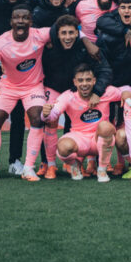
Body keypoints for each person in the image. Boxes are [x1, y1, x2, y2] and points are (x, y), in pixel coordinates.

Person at [0, 8, 51, 182]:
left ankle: (28, 168)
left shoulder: (40, 35)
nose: (21, 21)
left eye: (25, 18)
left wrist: (86, 40)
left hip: (33, 86)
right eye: (17, 18)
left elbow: (67, 29)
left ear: (31, 22)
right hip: (9, 85)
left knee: (37, 116)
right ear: (11, 22)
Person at [43, 15, 113, 178]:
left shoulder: (87, 48)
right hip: (53, 87)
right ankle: (49, 164)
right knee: (49, 121)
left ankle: (91, 161)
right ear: (57, 34)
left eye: (71, 33)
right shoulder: (48, 46)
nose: (67, 37)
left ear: (77, 33)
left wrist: (97, 91)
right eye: (63, 33)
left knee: (84, 121)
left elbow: (105, 70)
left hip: (78, 90)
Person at [41, 63, 124, 182]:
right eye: (80, 80)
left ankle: (102, 170)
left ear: (94, 81)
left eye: (88, 80)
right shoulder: (68, 96)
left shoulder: (106, 92)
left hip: (99, 138)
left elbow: (124, 91)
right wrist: (45, 114)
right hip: (80, 138)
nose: (84, 84)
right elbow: (52, 115)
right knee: (63, 147)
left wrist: (126, 94)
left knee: (106, 126)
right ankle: (75, 165)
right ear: (74, 82)